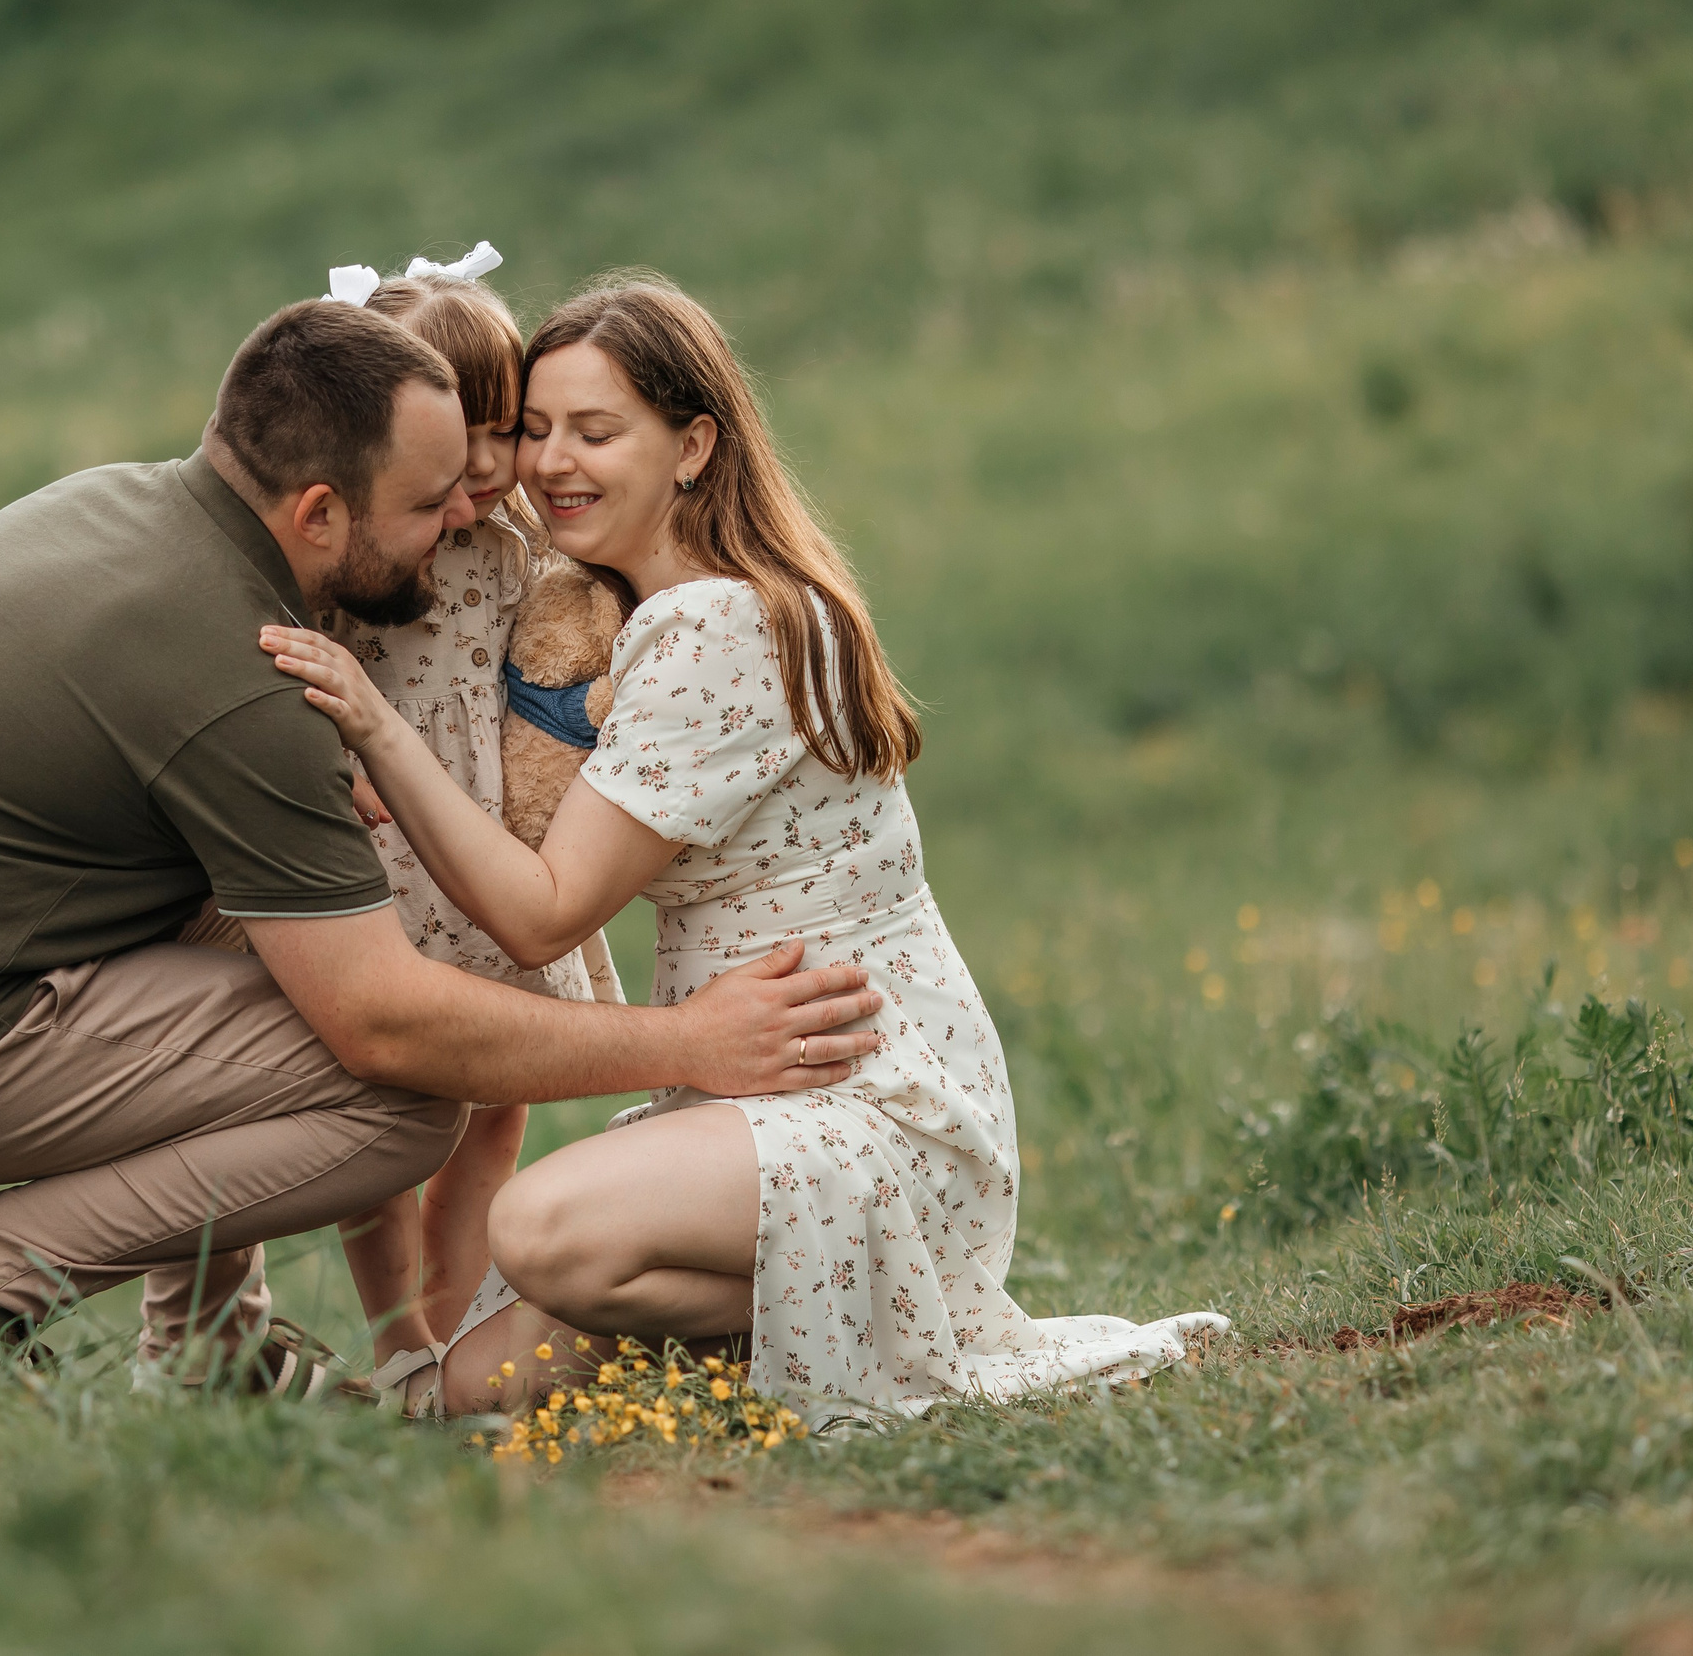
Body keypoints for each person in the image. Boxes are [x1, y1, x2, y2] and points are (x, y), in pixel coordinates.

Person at [0, 294, 888, 1399]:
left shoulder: (126, 506)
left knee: (282, 995)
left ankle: (211, 1352)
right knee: (405, 1099)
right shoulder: (237, 663)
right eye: (429, 506)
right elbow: (382, 1020)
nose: (467, 519)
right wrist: (685, 1044)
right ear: (317, 512)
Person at [261, 275, 1227, 1418]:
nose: (549, 462)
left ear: (693, 446)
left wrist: (371, 728)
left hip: (870, 1107)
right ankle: (782, 1331)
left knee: (538, 1228)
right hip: (753, 1093)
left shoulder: (721, 622)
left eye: (596, 431)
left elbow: (539, 912)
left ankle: (867, 1309)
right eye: (533, 430)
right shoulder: (633, 614)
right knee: (468, 1390)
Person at [308, 246, 625, 1390]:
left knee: (498, 1112)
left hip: (498, 868)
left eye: (505, 429)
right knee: (393, 1134)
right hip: (387, 876)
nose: (489, 465)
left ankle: (458, 1328)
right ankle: (398, 1343)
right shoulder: (353, 556)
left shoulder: (514, 552)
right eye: (459, 439)